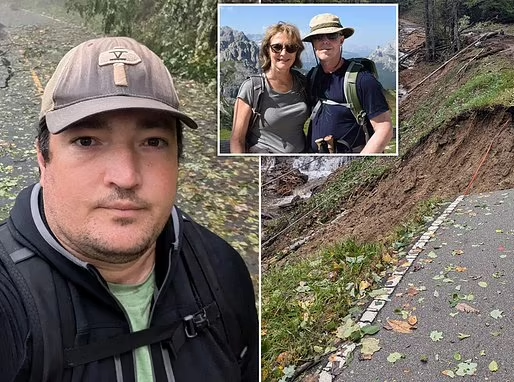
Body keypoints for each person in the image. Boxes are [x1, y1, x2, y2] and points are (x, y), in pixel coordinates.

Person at [0, 37, 258, 381]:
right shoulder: (9, 303)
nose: (126, 177)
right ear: (43, 159)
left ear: (177, 161)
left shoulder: (221, 271)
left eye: (153, 142)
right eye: (87, 141)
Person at [303, 13, 393, 154]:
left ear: (341, 40)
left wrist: (360, 165)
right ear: (313, 43)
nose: (325, 41)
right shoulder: (313, 76)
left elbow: (384, 129)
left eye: (332, 36)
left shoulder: (363, 80)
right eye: (318, 37)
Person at [230, 22, 309, 153]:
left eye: (291, 47)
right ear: (267, 49)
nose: (284, 53)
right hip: (265, 159)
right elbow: (237, 139)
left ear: (297, 52)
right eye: (277, 47)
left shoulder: (302, 82)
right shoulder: (252, 87)